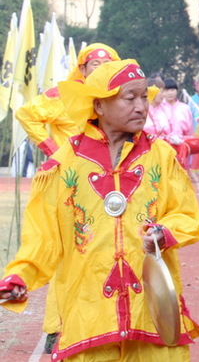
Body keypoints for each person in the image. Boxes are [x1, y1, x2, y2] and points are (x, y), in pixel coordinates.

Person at [1, 59, 199, 361]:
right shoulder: (62, 165)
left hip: (152, 313)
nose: (141, 107)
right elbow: (42, 239)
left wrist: (164, 232)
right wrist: (19, 277)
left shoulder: (161, 157)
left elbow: (187, 215)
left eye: (144, 97)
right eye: (129, 97)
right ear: (99, 106)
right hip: (89, 317)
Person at [14, 42, 120, 353]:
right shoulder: (63, 93)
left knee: (106, 251)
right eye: (93, 63)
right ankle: (56, 328)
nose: (100, 68)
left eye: (106, 63)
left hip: (105, 187)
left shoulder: (113, 97)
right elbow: (26, 114)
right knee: (67, 255)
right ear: (82, 68)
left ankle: (102, 323)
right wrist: (53, 151)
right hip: (67, 186)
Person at [145, 78, 196, 167]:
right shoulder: (140, 110)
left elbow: (176, 128)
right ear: (152, 92)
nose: (163, 95)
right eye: (161, 92)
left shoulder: (166, 109)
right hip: (146, 154)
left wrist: (174, 137)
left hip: (166, 152)